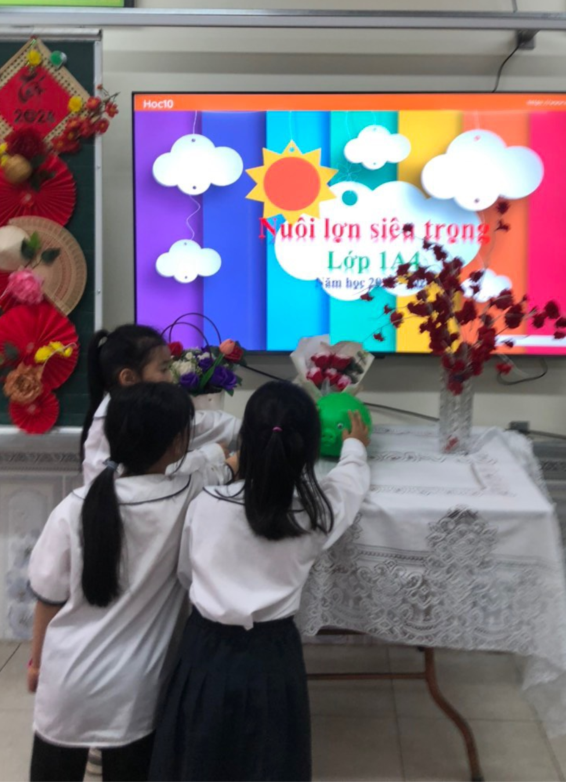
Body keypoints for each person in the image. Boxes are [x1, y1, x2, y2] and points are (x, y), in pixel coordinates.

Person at [149, 381, 371, 782]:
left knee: (198, 755)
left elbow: (186, 574)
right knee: (269, 761)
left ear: (246, 442)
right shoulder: (315, 515)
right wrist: (354, 447)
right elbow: (348, 487)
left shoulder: (207, 504)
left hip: (204, 650)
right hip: (273, 657)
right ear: (308, 450)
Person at [27, 383, 237, 782]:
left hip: (67, 682)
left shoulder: (73, 507)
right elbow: (227, 467)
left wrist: (36, 663)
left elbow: (48, 599)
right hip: (136, 692)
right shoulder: (189, 494)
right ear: (177, 443)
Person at [80, 325, 240, 485]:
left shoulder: (149, 410)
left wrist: (247, 430)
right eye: (163, 369)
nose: (171, 378)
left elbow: (204, 425)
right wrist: (211, 455)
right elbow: (148, 480)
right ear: (128, 378)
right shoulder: (107, 433)